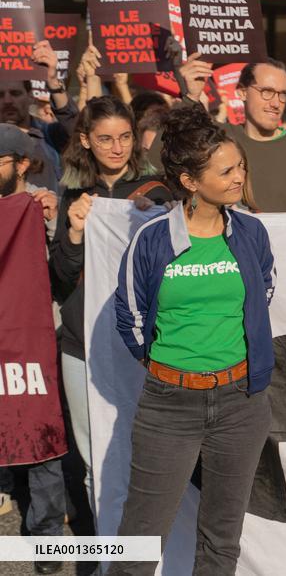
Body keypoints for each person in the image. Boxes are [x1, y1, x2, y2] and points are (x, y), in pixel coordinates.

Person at [110, 106, 275, 575]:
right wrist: (169, 368)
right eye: (226, 171)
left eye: (240, 165)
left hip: (241, 402)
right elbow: (131, 315)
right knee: (141, 540)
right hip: (169, 406)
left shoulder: (250, 231)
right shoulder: (152, 238)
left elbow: (263, 290)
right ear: (188, 180)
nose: (239, 176)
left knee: (222, 539)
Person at [49, 97, 170, 510]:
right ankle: (109, 557)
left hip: (145, 345)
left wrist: (156, 219)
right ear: (85, 140)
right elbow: (62, 276)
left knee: (147, 457)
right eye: (105, 139)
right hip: (82, 343)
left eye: (125, 137)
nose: (117, 148)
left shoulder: (159, 190)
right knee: (95, 458)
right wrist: (76, 231)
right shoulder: (73, 192)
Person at [0, 126, 64, 576]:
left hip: (34, 339)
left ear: (21, 164)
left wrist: (55, 220)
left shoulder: (41, 207)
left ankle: (46, 538)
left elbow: (68, 261)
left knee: (42, 435)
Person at [178, 52, 286, 212]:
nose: (276, 103)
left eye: (283, 94)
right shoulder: (217, 138)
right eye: (267, 92)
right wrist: (192, 96)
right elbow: (158, 161)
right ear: (242, 92)